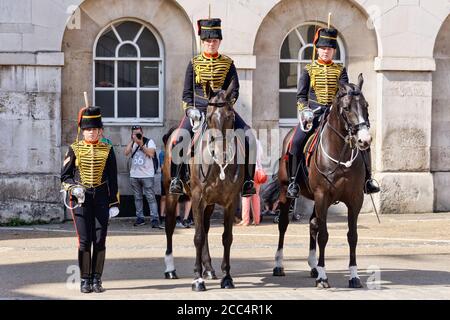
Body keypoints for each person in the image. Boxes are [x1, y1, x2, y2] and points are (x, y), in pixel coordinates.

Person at [287, 27, 380, 198]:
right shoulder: (309, 70)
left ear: (334, 51)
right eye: (323, 48)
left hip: (335, 113)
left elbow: (344, 92)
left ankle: (368, 179)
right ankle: (293, 181)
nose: (326, 51)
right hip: (314, 113)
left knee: (363, 139)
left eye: (329, 49)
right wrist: (305, 111)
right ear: (317, 49)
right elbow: (301, 96)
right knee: (296, 142)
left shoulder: (340, 70)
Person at [168, 18, 256, 197]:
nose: (211, 44)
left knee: (249, 138)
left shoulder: (228, 63)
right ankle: (176, 179)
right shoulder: (194, 64)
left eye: (214, 41)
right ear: (203, 42)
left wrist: (227, 106)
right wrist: (190, 110)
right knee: (179, 141)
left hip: (222, 110)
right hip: (198, 110)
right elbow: (186, 93)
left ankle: (248, 181)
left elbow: (235, 89)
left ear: (219, 42)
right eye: (208, 41)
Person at [61, 106, 119, 294]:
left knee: (100, 240)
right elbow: (65, 176)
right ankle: (85, 279)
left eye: (94, 129)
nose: (91, 132)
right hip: (81, 200)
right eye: (87, 129)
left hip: (101, 199)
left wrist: (114, 202)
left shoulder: (108, 149)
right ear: (82, 131)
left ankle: (97, 279)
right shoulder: (74, 149)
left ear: (100, 131)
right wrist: (74, 187)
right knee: (85, 241)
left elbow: (113, 177)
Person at [124, 125, 162, 229]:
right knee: (137, 198)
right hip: (134, 175)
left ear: (142, 133)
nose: (136, 135)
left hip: (147, 175)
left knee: (151, 198)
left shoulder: (149, 142)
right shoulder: (132, 143)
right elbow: (126, 153)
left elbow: (151, 154)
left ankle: (154, 218)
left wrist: (141, 144)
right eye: (134, 133)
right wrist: (132, 141)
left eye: (138, 133)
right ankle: (140, 218)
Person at [239, 140, 266, 226]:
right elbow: (261, 156)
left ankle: (245, 220)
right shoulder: (258, 142)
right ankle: (256, 220)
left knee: (246, 197)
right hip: (258, 172)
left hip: (249, 172)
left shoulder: (245, 142)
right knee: (256, 196)